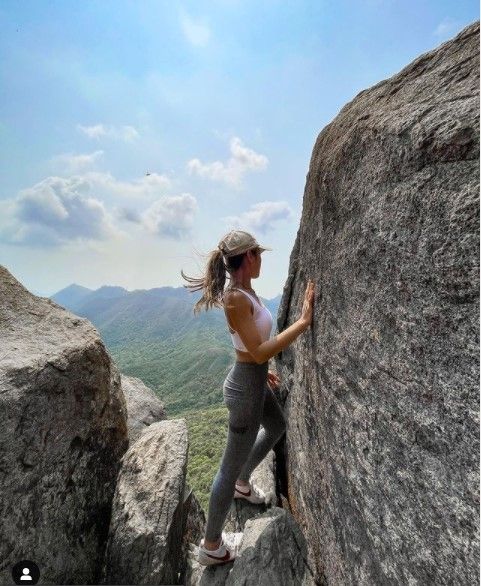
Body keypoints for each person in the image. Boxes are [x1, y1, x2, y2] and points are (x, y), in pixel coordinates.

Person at [180, 229, 315, 566]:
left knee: (276, 424)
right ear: (249, 256)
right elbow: (255, 352)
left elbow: (250, 347)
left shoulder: (246, 292)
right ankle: (211, 545)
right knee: (226, 469)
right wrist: (302, 322)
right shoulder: (235, 298)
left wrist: (263, 367)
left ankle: (244, 483)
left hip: (252, 382)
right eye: (259, 254)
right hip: (244, 391)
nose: (262, 260)